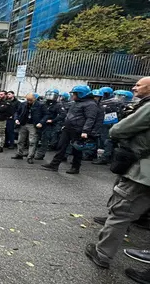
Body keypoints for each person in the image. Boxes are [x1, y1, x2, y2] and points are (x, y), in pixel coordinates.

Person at [84, 77, 150, 275]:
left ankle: (102, 254)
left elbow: (118, 129)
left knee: (121, 211)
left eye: (139, 84)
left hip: (145, 163)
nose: (134, 87)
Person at [41, 85, 98, 174]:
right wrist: (65, 125)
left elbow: (90, 119)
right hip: (68, 128)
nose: (73, 96)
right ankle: (54, 165)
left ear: (81, 94)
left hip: (79, 130)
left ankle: (75, 167)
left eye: (74, 94)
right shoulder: (76, 102)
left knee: (77, 149)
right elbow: (69, 115)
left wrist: (85, 131)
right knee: (61, 146)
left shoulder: (91, 104)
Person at [93, 88, 127, 165]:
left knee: (108, 141)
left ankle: (106, 158)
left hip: (112, 125)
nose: (117, 97)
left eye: (120, 96)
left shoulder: (118, 105)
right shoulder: (109, 103)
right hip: (107, 124)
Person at [12, 93, 47, 164]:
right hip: (23, 124)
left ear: (34, 99)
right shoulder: (23, 104)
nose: (28, 101)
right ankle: (19, 154)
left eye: (30, 100)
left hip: (33, 125)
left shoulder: (40, 105)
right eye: (27, 100)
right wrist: (16, 119)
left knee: (32, 141)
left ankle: (30, 157)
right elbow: (17, 112)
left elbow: (46, 114)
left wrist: (41, 122)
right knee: (20, 140)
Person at [35, 89, 62, 160]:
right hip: (40, 123)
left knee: (44, 140)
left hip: (49, 125)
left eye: (51, 95)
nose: (49, 96)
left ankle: (40, 154)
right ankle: (32, 152)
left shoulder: (58, 105)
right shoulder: (43, 103)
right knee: (35, 138)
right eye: (48, 94)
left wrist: (53, 120)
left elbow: (62, 115)